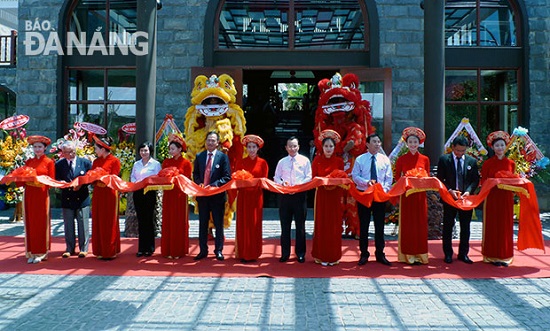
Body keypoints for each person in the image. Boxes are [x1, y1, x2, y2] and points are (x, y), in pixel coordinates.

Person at [437, 135, 480, 264]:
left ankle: (463, 254)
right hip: (450, 197)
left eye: (463, 151)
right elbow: (440, 179)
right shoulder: (444, 160)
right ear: (453, 148)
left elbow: (475, 180)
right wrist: (450, 190)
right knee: (448, 226)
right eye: (458, 150)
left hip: (465, 199)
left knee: (465, 226)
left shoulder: (471, 161)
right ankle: (448, 254)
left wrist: (468, 191)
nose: (460, 153)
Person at [352, 133, 393, 266]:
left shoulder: (384, 159)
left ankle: (380, 254)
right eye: (374, 142)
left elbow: (389, 178)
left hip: (379, 196)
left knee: (379, 226)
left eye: (378, 142)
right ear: (367, 144)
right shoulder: (360, 159)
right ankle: (364, 254)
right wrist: (366, 182)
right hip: (364, 194)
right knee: (364, 225)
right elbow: (355, 176)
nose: (377, 144)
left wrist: (384, 190)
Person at [193, 131, 231, 261]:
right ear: (205, 141)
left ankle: (218, 250)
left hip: (217, 197)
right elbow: (196, 174)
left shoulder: (223, 157)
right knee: (203, 224)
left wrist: (214, 185)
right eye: (208, 140)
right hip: (203, 196)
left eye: (213, 140)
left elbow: (227, 177)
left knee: (218, 224)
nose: (210, 142)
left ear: (217, 142)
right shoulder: (200, 156)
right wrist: (200, 183)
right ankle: (203, 250)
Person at [394, 127, 430, 265]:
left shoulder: (425, 159)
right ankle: (407, 255)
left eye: (415, 142)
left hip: (420, 196)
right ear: (406, 143)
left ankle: (421, 255)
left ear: (419, 143)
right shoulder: (401, 159)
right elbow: (397, 177)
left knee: (420, 224)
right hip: (407, 196)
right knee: (408, 224)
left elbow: (427, 176)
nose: (413, 144)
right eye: (410, 142)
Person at [274, 136, 312, 263]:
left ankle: (300, 253)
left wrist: (299, 185)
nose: (292, 148)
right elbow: (276, 177)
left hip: (299, 196)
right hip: (285, 196)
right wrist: (282, 183)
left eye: (294, 146)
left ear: (298, 147)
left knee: (300, 226)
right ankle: (285, 253)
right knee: (285, 226)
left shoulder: (305, 161)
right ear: (286, 147)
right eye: (290, 146)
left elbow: (309, 177)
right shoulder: (282, 162)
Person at [480, 131, 516, 266]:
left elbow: (514, 180)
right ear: (492, 148)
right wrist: (493, 182)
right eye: (497, 146)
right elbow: (483, 181)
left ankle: (505, 255)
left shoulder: (511, 163)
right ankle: (491, 255)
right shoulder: (487, 163)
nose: (500, 148)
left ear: (505, 147)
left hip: (506, 198)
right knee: (492, 225)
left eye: (502, 145)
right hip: (492, 198)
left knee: (505, 225)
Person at [311, 130, 345, 266]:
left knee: (334, 224)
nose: (328, 149)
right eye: (326, 146)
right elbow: (313, 178)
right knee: (322, 224)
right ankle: (321, 255)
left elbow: (342, 179)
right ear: (322, 147)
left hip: (335, 197)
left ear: (334, 147)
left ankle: (333, 256)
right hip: (322, 196)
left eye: (331, 146)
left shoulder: (339, 161)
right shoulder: (317, 160)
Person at [55, 140, 92, 259]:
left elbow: (91, 178)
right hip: (67, 198)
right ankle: (69, 248)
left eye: (73, 151)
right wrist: (61, 183)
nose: (71, 154)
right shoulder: (59, 165)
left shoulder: (85, 163)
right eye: (68, 152)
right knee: (68, 225)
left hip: (82, 198)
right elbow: (55, 179)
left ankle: (83, 248)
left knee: (83, 224)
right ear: (63, 153)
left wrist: (82, 184)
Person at [234, 134, 269, 262]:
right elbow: (236, 180)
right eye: (249, 147)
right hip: (243, 197)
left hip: (256, 198)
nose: (252, 150)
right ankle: (243, 252)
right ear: (246, 148)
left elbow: (264, 181)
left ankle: (253, 252)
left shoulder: (263, 163)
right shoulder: (240, 162)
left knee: (254, 224)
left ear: (258, 148)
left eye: (254, 147)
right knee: (243, 223)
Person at [24, 135, 55, 264]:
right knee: (30, 222)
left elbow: (52, 181)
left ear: (45, 148)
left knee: (41, 222)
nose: (37, 149)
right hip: (29, 194)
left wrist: (39, 181)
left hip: (41, 195)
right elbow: (23, 179)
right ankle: (31, 251)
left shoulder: (49, 162)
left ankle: (42, 251)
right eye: (35, 147)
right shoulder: (29, 162)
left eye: (40, 147)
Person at [160, 133, 192, 259]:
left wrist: (177, 176)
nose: (171, 151)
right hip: (168, 194)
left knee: (178, 221)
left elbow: (188, 179)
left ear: (180, 149)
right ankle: (168, 249)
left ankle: (178, 250)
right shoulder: (166, 162)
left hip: (180, 195)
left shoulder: (186, 163)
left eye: (173, 148)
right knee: (168, 220)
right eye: (170, 149)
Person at [91, 136, 122, 260]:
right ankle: (100, 250)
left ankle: (110, 250)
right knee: (98, 220)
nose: (95, 151)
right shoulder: (96, 162)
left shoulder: (114, 161)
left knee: (109, 221)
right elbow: (91, 176)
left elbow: (113, 177)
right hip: (98, 193)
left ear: (103, 149)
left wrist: (102, 177)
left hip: (109, 193)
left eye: (96, 148)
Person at [131, 141, 161, 257]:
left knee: (149, 220)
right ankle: (141, 248)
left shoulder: (155, 164)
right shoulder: (136, 164)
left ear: (150, 151)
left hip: (149, 193)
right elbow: (133, 177)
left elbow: (158, 178)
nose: (143, 152)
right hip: (138, 193)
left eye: (146, 150)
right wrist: (136, 182)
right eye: (142, 150)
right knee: (141, 220)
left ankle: (150, 248)